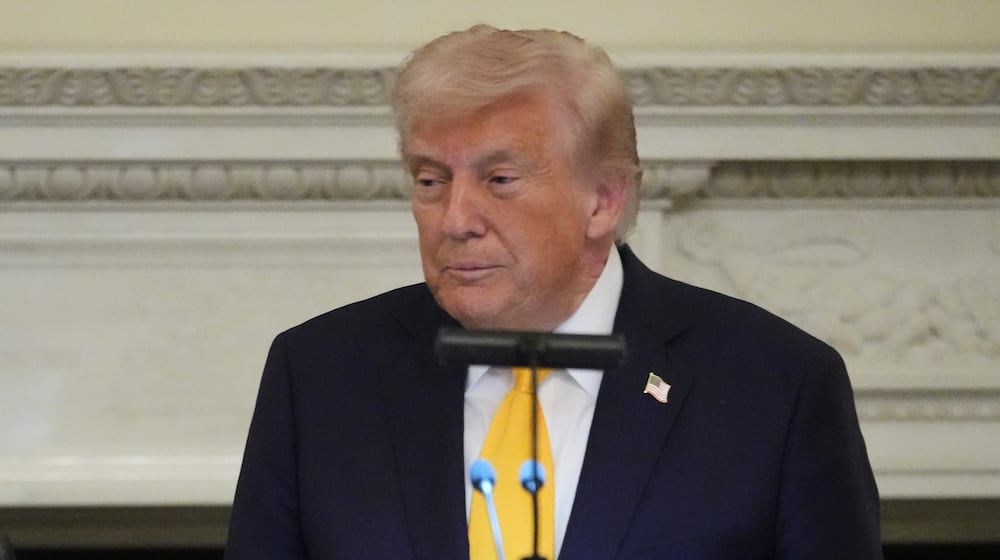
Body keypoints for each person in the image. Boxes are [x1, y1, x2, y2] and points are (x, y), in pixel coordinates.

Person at [224, 25, 883, 559]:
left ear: (603, 200)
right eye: (430, 182)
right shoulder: (320, 376)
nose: (455, 219)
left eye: (500, 179)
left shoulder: (776, 386)